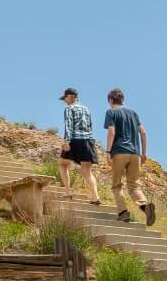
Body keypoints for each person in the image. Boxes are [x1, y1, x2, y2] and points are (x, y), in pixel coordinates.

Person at [102, 88, 150, 224]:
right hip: (135, 153)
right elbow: (143, 132)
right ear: (122, 100)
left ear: (111, 100)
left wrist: (107, 152)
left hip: (119, 152)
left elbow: (111, 131)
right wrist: (144, 153)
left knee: (117, 185)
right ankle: (145, 207)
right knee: (134, 186)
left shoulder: (111, 112)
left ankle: (123, 213)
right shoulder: (133, 113)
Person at [56, 88, 101, 203]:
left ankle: (67, 192)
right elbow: (90, 126)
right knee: (87, 170)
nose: (65, 101)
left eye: (65, 98)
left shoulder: (69, 108)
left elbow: (68, 125)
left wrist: (66, 141)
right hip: (88, 141)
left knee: (62, 164)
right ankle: (95, 197)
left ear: (69, 97)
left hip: (74, 140)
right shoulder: (86, 109)